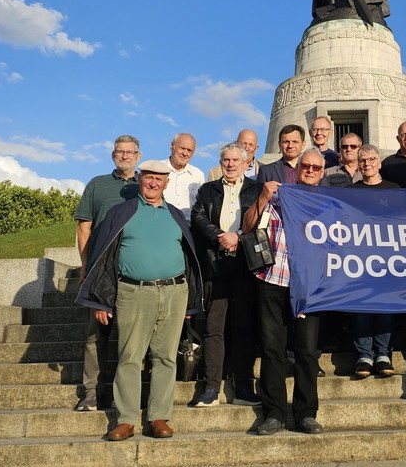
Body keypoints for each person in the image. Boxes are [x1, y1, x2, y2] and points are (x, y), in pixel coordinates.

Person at [76, 160, 204, 441]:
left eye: (159, 179)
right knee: (130, 357)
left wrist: (190, 300)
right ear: (140, 179)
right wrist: (101, 301)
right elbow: (103, 257)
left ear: (167, 183)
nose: (153, 183)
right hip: (133, 293)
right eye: (148, 178)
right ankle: (126, 419)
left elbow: (189, 256)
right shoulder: (121, 212)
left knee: (166, 358)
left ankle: (159, 417)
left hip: (174, 292)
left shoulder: (175, 214)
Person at [243, 148, 328, 436]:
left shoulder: (329, 203)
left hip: (309, 286)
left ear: (322, 172)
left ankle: (306, 414)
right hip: (273, 279)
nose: (311, 171)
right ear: (297, 168)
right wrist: (264, 197)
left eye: (317, 168)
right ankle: (274, 413)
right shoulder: (278, 195)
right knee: (271, 349)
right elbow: (247, 226)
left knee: (306, 352)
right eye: (306, 166)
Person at [189, 143, 263, 408]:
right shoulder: (208, 190)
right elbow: (197, 217)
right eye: (225, 160)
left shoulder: (257, 189)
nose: (230, 164)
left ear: (246, 163)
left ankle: (243, 386)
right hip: (215, 265)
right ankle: (211, 387)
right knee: (213, 327)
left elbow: (262, 220)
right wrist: (219, 236)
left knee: (244, 327)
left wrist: (238, 237)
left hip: (245, 264)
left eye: (235, 160)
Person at [71, 135, 141, 412]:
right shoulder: (97, 184)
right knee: (95, 335)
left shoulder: (145, 184)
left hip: (132, 268)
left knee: (130, 335)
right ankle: (91, 391)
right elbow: (84, 227)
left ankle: (121, 393)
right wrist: (86, 265)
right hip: (100, 268)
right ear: (113, 155)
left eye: (129, 152)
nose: (124, 156)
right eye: (119, 152)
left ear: (138, 155)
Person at [348, 144, 399, 377]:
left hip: (388, 259)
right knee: (361, 306)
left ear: (379, 163)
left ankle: (383, 353)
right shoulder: (351, 192)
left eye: (371, 159)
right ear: (358, 165)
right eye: (363, 160)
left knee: (386, 306)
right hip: (360, 260)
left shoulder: (395, 189)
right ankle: (364, 354)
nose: (367, 164)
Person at [161, 133, 204, 221]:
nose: (185, 153)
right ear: (172, 147)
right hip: (162, 225)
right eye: (182, 148)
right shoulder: (158, 169)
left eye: (189, 150)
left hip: (189, 230)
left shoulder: (198, 175)